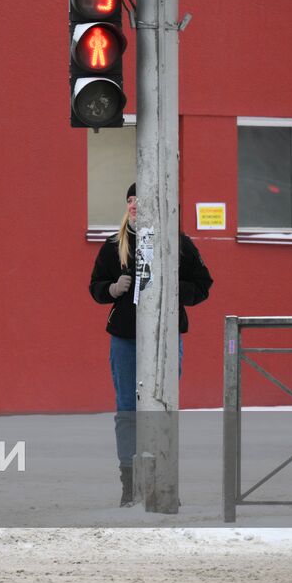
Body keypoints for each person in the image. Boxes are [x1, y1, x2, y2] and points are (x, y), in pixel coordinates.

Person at [89, 183, 213, 506]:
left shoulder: (177, 243)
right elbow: (95, 287)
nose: (133, 204)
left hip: (165, 337)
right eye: (129, 199)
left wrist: (174, 288)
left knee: (163, 408)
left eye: (139, 200)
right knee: (128, 409)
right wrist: (113, 289)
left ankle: (164, 482)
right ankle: (130, 484)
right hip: (125, 340)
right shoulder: (115, 245)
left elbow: (203, 285)